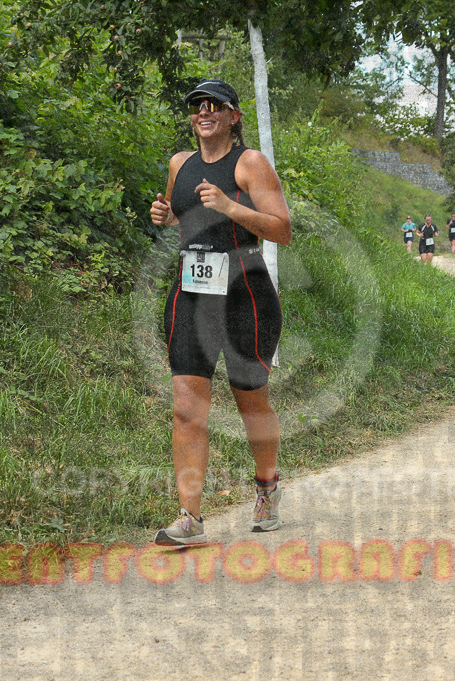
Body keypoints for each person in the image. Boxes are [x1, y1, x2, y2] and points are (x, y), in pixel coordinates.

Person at [150, 79, 291, 545]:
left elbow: (281, 230)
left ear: (233, 116)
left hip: (244, 293)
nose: (203, 112)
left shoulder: (249, 163)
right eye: (195, 106)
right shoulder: (180, 164)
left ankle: (267, 486)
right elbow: (184, 215)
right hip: (191, 291)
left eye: (214, 106)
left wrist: (231, 205)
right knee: (188, 408)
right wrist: (167, 217)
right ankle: (189, 517)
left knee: (251, 401)